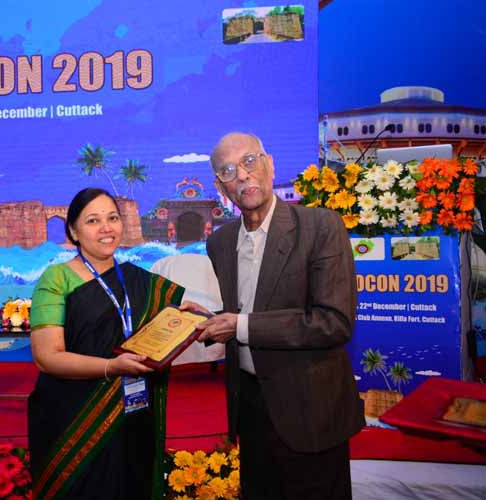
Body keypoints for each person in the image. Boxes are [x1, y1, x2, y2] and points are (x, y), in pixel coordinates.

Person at [182, 133, 365, 500]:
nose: (242, 175)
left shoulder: (320, 226)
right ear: (220, 187)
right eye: (228, 171)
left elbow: (333, 322)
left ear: (270, 164)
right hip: (250, 406)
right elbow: (250, 309)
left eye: (250, 161)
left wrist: (238, 325)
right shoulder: (220, 242)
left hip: (310, 409)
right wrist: (212, 319)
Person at [28, 187, 184, 500]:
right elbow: (46, 356)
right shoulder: (56, 279)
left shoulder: (136, 279)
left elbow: (149, 333)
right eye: (93, 221)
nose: (106, 228)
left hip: (132, 410)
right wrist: (111, 366)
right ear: (74, 231)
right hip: (74, 415)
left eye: (112, 218)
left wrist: (181, 318)